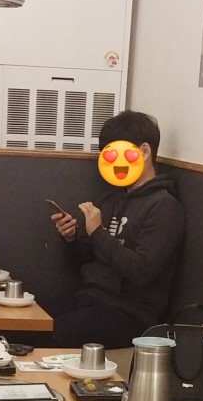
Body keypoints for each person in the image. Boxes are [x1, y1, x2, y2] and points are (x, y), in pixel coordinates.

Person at [50, 110, 185, 348]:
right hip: (90, 300)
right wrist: (71, 237)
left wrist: (98, 233)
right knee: (29, 322)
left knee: (50, 333)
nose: (113, 164)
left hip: (130, 314)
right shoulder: (111, 200)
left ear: (144, 151)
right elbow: (81, 262)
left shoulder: (165, 207)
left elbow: (142, 271)